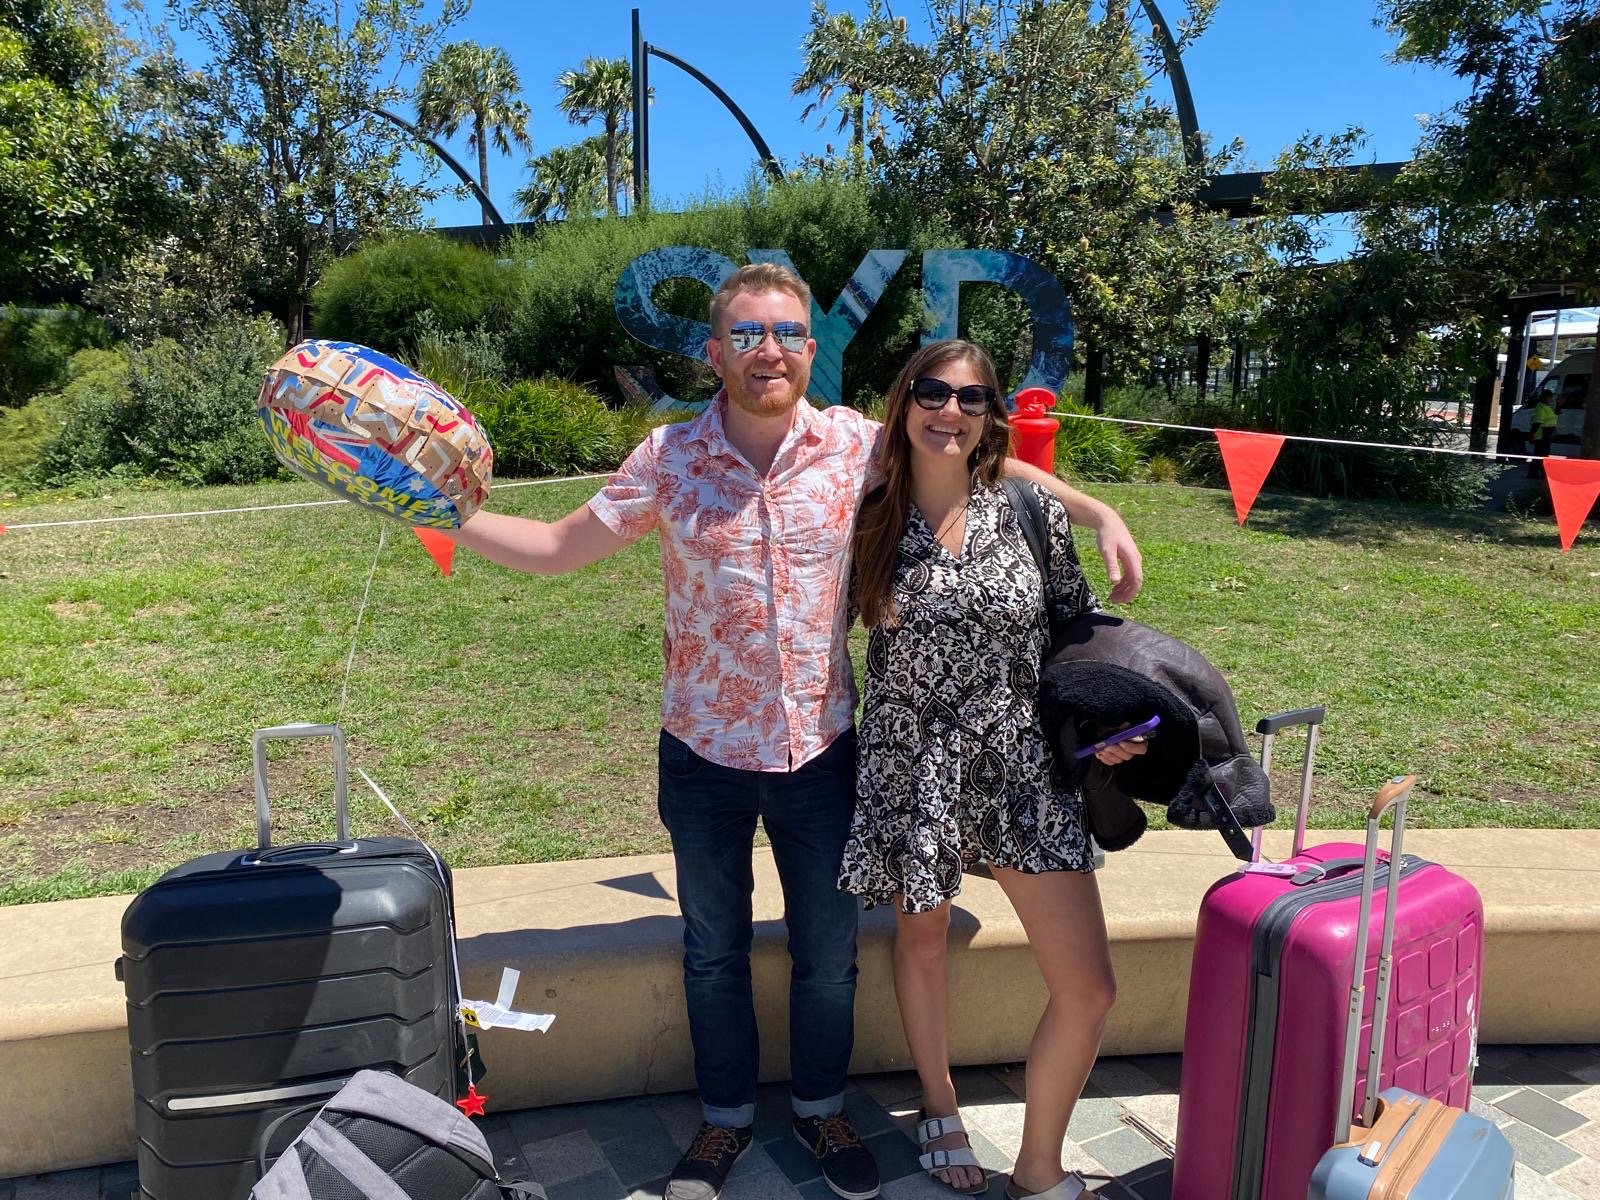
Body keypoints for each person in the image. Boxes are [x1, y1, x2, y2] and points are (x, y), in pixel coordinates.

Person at [447, 264, 1143, 1200]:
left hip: (823, 746)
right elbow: (562, 547)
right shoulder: (667, 457)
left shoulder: (856, 444)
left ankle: (820, 1110)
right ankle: (724, 1121)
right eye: (745, 334)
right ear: (714, 352)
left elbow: (973, 454)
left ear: (811, 349)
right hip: (700, 749)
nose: (766, 350)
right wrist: (453, 515)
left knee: (827, 956)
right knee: (712, 949)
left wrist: (1097, 510)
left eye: (784, 333)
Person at [840, 339, 1140, 1200]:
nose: (949, 410)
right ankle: (939, 1102)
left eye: (971, 399)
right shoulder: (867, 515)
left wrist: (1103, 730)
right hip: (916, 758)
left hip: (1023, 764)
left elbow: (1078, 639)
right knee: (924, 937)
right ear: (902, 403)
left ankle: (1038, 1169)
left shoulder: (1028, 512)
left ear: (989, 418)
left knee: (1088, 988)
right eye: (931, 392)